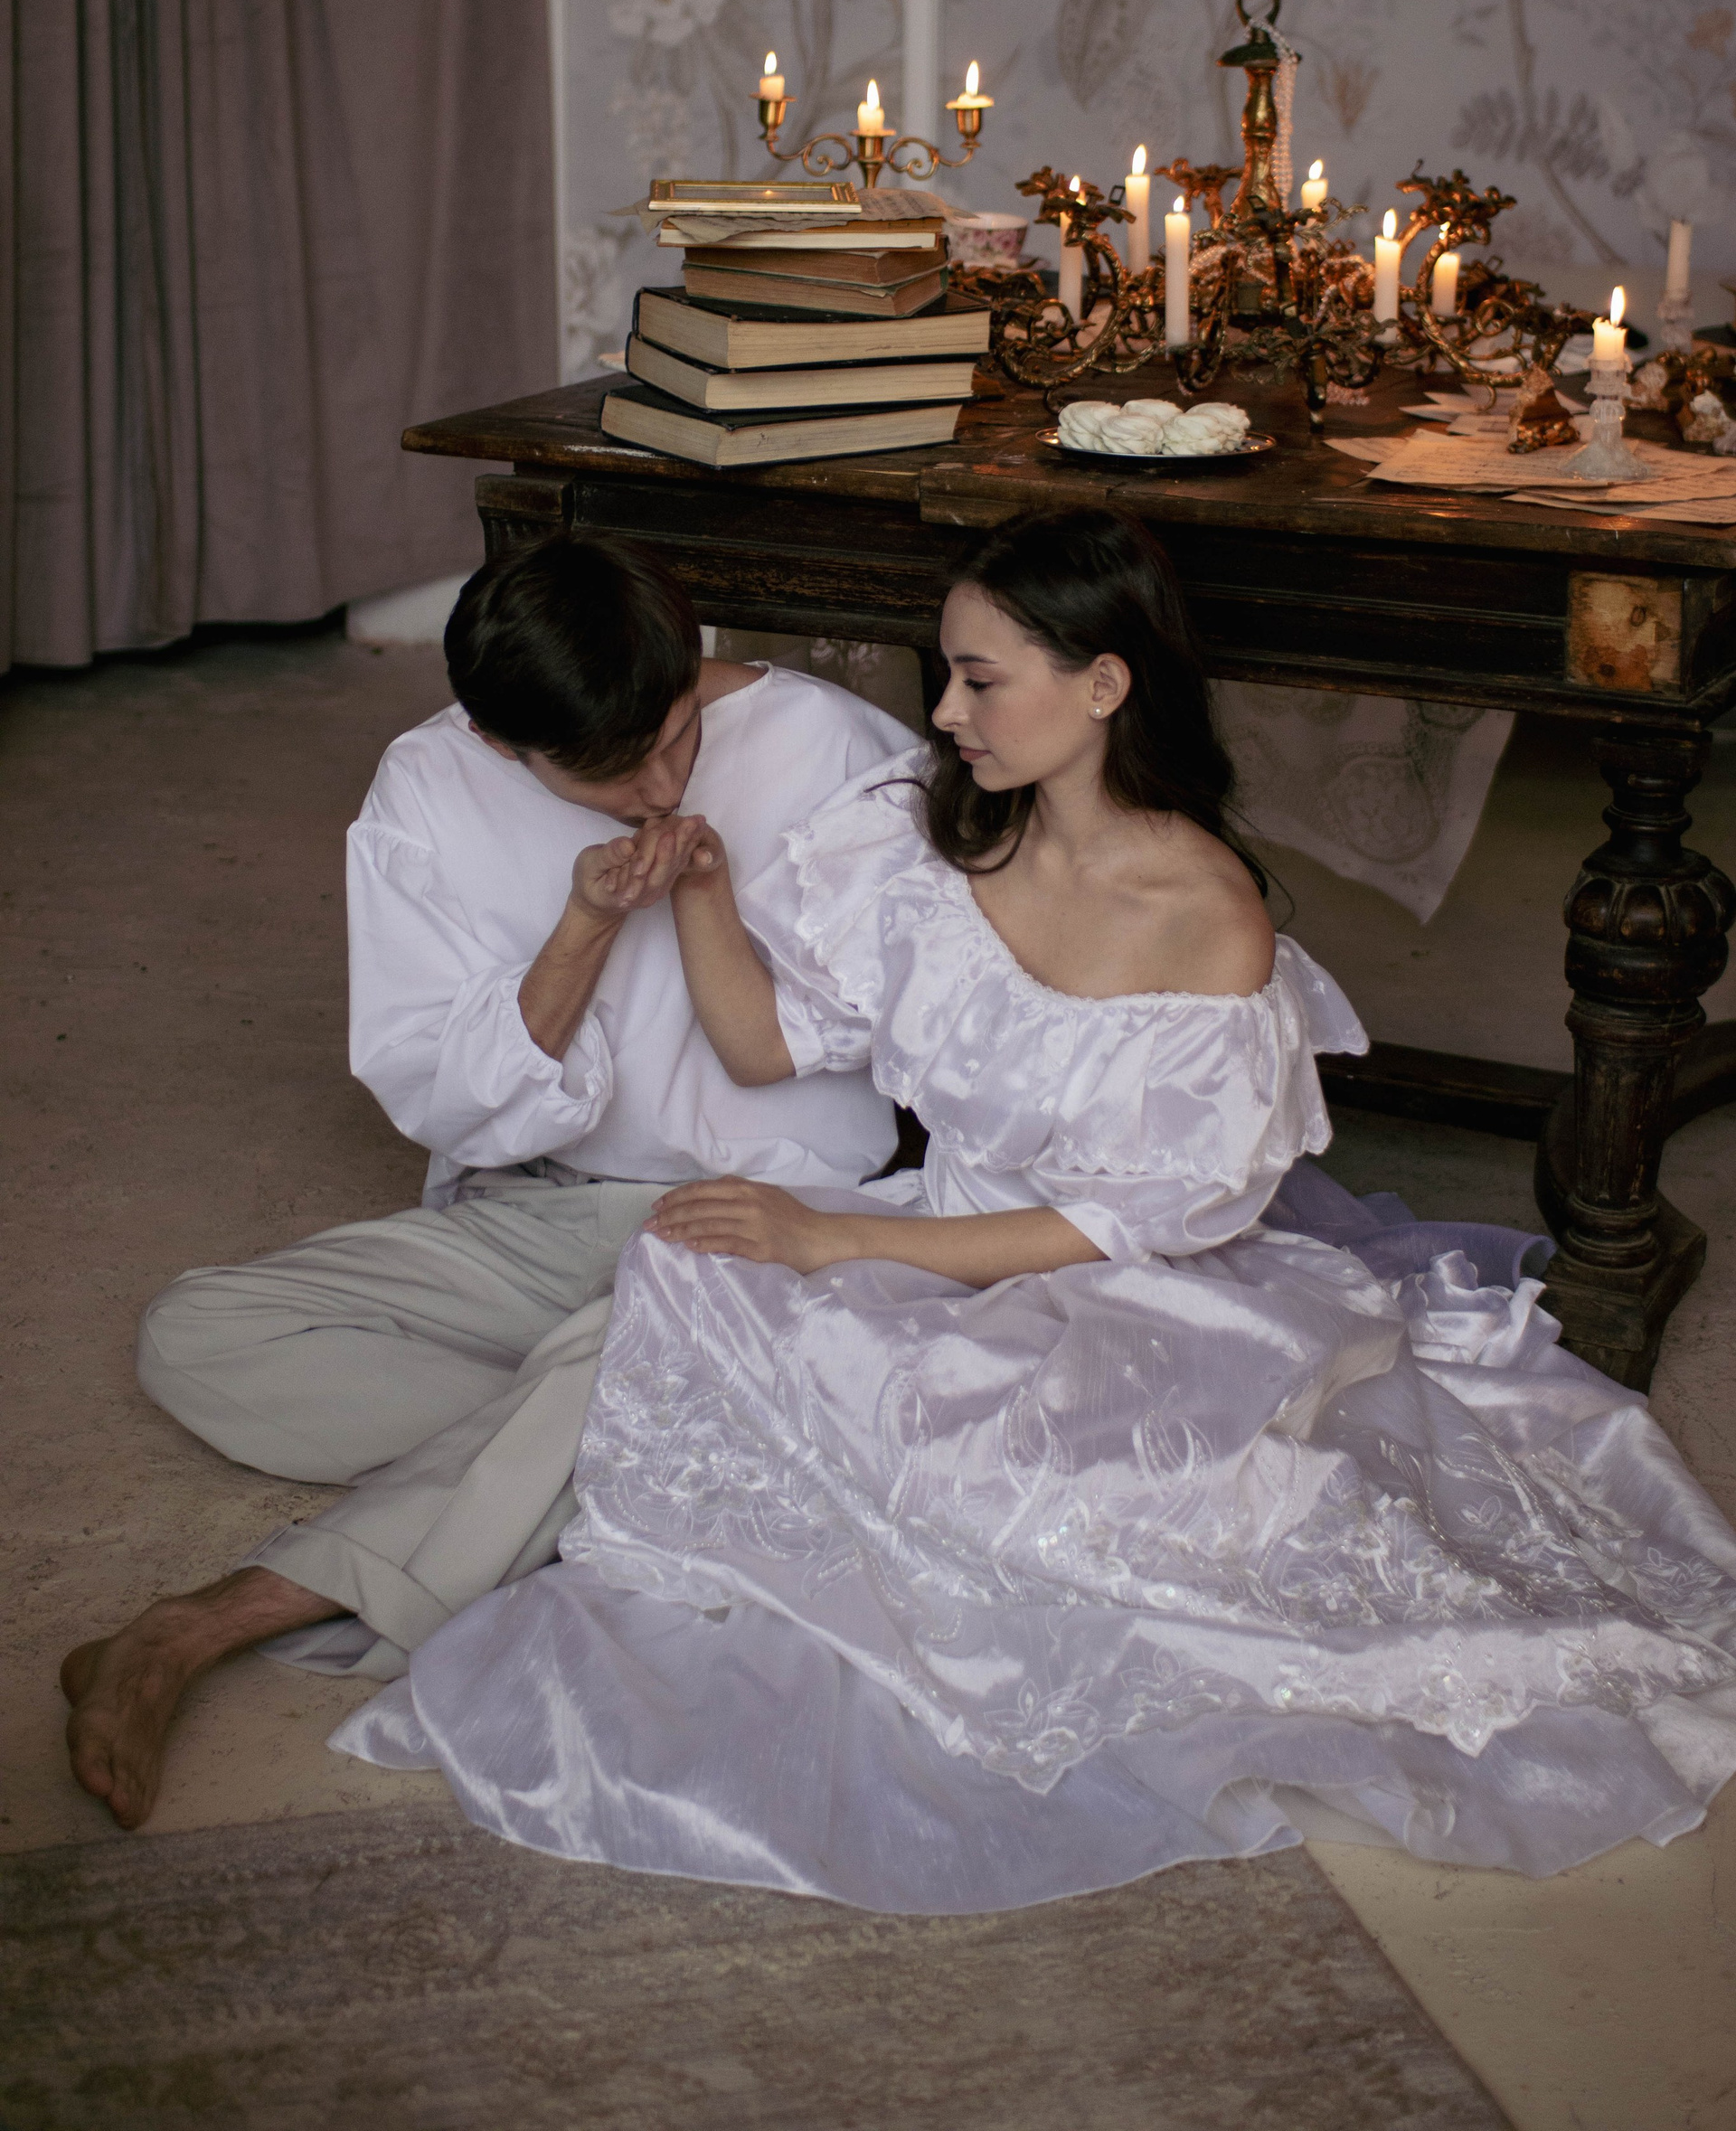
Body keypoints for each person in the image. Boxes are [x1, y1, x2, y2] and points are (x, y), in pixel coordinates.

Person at [335, 505, 1736, 1914]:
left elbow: (1137, 1223)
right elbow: (763, 1047)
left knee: (1050, 1490)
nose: (943, 715)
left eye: (978, 680)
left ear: (1103, 684)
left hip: (1118, 1285)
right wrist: (701, 887)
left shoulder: (1206, 914)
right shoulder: (938, 852)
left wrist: (841, 1237)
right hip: (935, 1234)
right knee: (693, 1275)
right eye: (947, 676)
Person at [61, 533, 918, 1829]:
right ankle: (636, 1435)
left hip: (768, 1235)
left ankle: (206, 1621)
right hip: (542, 1213)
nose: (661, 785)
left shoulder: (838, 751)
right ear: (497, 741)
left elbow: (905, 1038)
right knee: (196, 1338)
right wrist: (582, 929)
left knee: (655, 1340)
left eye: (678, 735)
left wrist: (705, 904)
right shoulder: (426, 787)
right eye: (610, 773)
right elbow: (440, 1096)